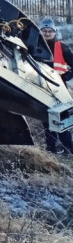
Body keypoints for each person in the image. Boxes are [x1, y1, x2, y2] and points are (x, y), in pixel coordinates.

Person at [40, 17, 73, 154]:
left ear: (54, 32)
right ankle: (51, 148)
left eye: (50, 31)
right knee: (46, 118)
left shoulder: (62, 47)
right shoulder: (34, 46)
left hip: (59, 89)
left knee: (62, 118)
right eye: (44, 31)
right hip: (42, 87)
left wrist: (67, 76)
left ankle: (68, 148)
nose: (47, 33)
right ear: (40, 32)